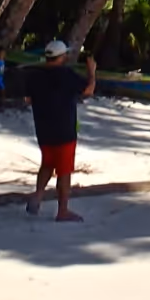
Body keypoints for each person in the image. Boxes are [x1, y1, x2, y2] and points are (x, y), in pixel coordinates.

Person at [23, 40, 96, 221]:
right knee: (64, 171)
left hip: (43, 128)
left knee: (47, 163)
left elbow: (27, 100)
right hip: (64, 130)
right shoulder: (66, 74)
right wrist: (92, 72)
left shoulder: (35, 75)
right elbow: (88, 91)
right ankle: (62, 211)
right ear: (61, 57)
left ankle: (38, 196)